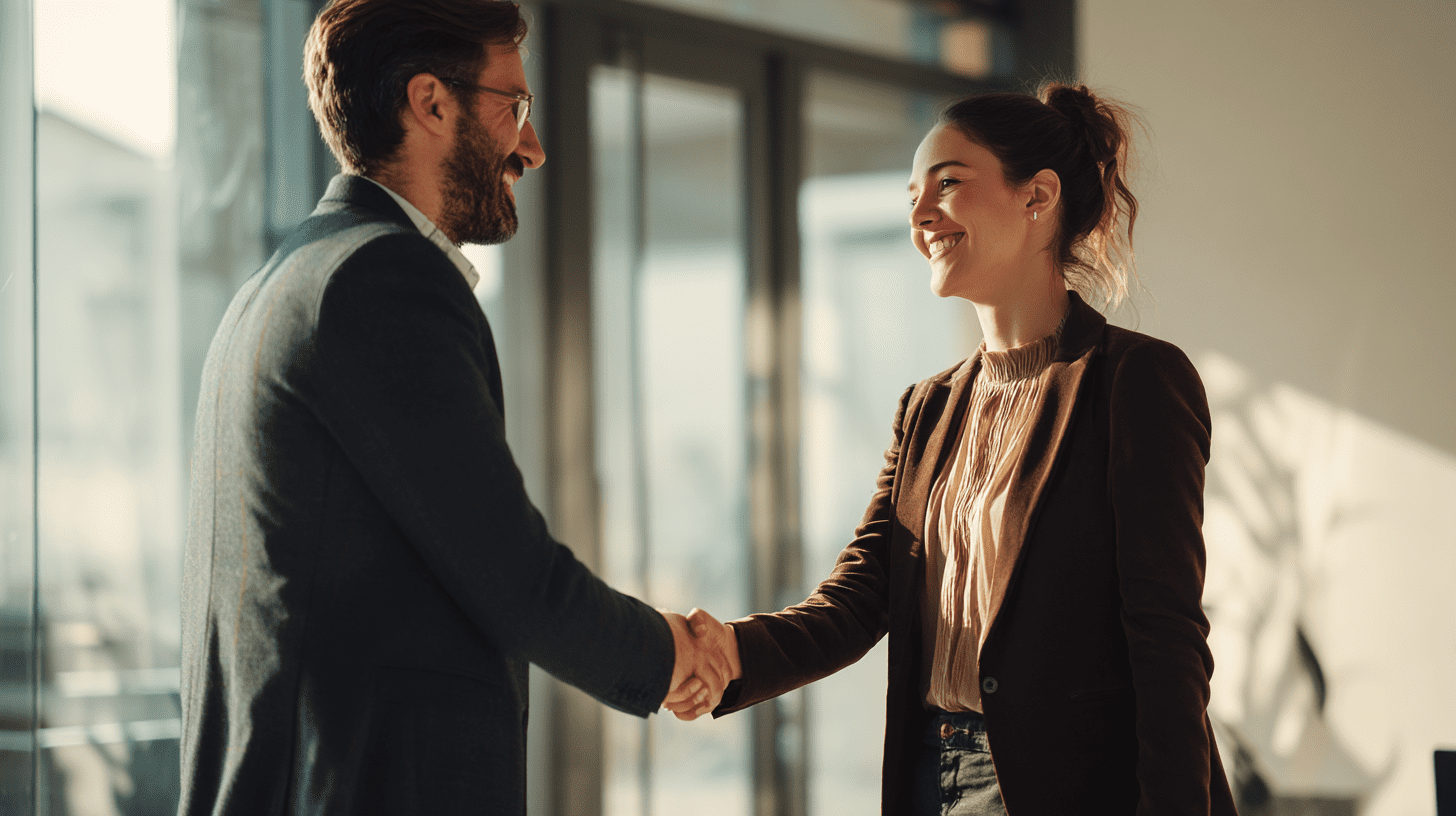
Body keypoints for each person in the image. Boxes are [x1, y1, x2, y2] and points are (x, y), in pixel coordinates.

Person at [177, 1, 723, 813]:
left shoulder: (283, 281)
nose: (531, 148)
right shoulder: (381, 281)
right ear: (431, 102)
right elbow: (510, 572)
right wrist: (669, 655)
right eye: (515, 107)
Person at [676, 84, 1239, 815]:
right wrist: (728, 654)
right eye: (914, 193)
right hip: (933, 778)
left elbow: (1166, 638)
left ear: (1038, 198)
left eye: (948, 183)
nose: (919, 215)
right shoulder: (928, 408)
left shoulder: (1133, 381)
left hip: (1073, 789)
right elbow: (858, 600)